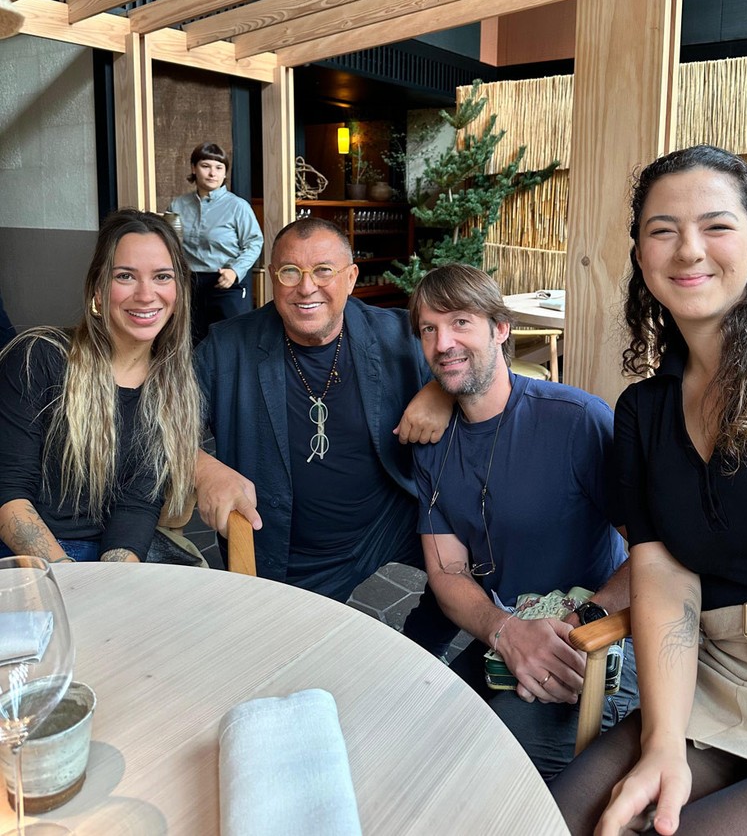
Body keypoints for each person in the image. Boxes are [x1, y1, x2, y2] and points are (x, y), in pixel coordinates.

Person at [551, 144, 747, 835]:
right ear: (642, 256)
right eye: (662, 230)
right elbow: (665, 576)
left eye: (716, 226)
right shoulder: (645, 411)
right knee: (560, 819)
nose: (689, 250)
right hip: (714, 679)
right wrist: (664, 741)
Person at [407, 264, 638, 781]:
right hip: (510, 635)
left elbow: (653, 553)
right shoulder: (431, 444)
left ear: (501, 328)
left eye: (460, 322)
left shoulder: (577, 421)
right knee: (420, 731)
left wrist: (581, 624)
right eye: (429, 329)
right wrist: (506, 632)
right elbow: (447, 572)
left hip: (605, 642)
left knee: (486, 768)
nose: (444, 343)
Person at [194, 216, 457, 655]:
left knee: (484, 556)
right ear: (271, 278)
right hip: (295, 545)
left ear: (351, 278)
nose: (306, 287)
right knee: (281, 659)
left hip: (392, 517)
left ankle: (420, 651)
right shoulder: (227, 347)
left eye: (323, 270)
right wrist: (201, 466)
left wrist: (442, 390)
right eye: (290, 272)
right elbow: (157, 424)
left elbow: (482, 364)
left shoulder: (396, 333)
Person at [0, 209, 200, 563]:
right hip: (28, 555)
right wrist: (66, 578)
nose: (146, 294)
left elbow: (137, 506)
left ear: (179, 291)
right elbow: (9, 492)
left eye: (162, 276)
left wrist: (112, 581)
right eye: (125, 276)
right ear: (98, 289)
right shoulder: (38, 356)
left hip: (110, 556)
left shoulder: (173, 388)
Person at [169, 141, 263, 345]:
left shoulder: (237, 206)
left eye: (219, 168)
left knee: (232, 342)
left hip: (225, 281)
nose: (213, 173)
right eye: (206, 166)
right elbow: (170, 244)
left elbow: (254, 242)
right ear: (193, 168)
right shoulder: (177, 205)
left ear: (225, 172)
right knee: (192, 343)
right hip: (190, 283)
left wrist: (235, 271)